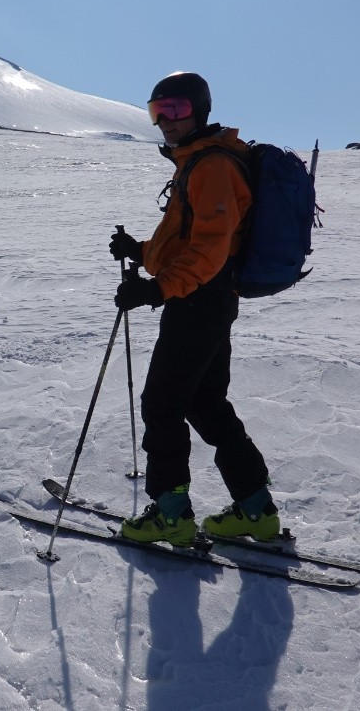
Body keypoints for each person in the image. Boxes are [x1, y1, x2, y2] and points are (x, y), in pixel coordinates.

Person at [108, 71, 279, 547]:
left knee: (162, 404)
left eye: (177, 110)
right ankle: (255, 511)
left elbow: (209, 249)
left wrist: (157, 290)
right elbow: (188, 243)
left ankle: (171, 515)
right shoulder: (196, 163)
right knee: (205, 404)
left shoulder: (212, 167)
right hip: (206, 298)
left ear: (199, 111)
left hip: (198, 301)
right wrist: (141, 251)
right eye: (157, 111)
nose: (166, 121)